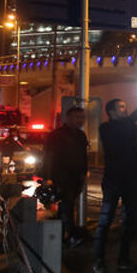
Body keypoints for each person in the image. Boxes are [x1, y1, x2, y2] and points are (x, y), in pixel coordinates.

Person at [92, 98, 137, 273]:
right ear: (112, 112)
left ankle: (123, 260)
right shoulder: (107, 128)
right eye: (121, 107)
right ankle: (98, 260)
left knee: (130, 222)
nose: (125, 109)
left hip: (130, 181)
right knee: (105, 220)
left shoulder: (128, 127)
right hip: (113, 181)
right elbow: (126, 128)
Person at [42, 106, 89, 247]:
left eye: (82, 117)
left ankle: (61, 237)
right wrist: (47, 177)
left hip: (76, 179)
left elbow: (83, 157)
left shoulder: (81, 135)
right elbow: (48, 157)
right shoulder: (56, 135)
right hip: (60, 178)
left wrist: (84, 173)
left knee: (67, 207)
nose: (80, 120)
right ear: (68, 118)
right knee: (66, 207)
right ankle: (71, 236)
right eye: (76, 117)